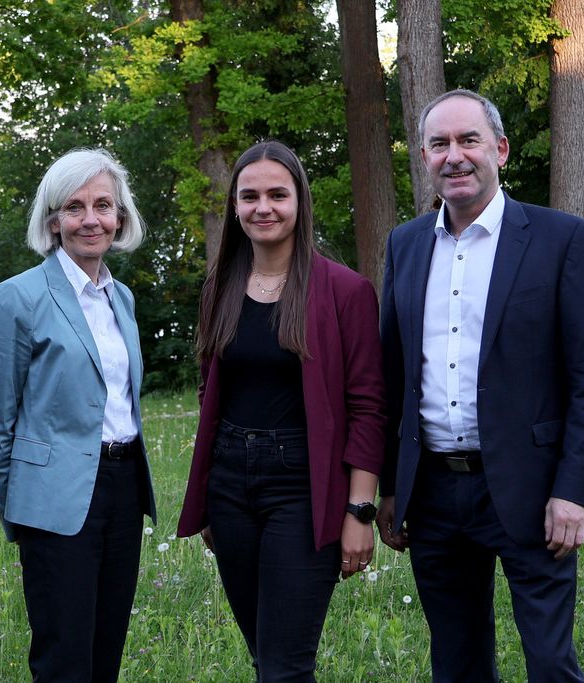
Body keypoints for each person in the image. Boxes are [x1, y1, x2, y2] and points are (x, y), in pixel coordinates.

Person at [376, 89, 584, 682]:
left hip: (534, 491)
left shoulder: (562, 239)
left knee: (551, 663)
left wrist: (577, 491)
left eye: (469, 140)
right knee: (456, 665)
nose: (454, 156)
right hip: (432, 494)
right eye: (439, 144)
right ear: (425, 158)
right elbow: (392, 373)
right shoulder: (405, 246)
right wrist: (390, 487)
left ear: (500, 150)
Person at [177, 140, 387, 681]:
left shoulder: (345, 291)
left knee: (286, 666)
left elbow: (368, 407)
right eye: (249, 196)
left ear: (300, 201)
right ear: (234, 207)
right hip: (229, 486)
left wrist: (359, 512)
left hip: (303, 485)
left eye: (277, 194)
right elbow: (210, 394)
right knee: (262, 655)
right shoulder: (218, 289)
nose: (262, 207)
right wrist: (209, 493)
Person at [0, 148, 157, 682]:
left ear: (120, 218)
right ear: (53, 219)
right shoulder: (18, 298)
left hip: (124, 488)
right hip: (53, 500)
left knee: (107, 652)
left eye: (103, 205)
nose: (90, 219)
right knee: (64, 657)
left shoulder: (120, 298)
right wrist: (20, 506)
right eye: (74, 207)